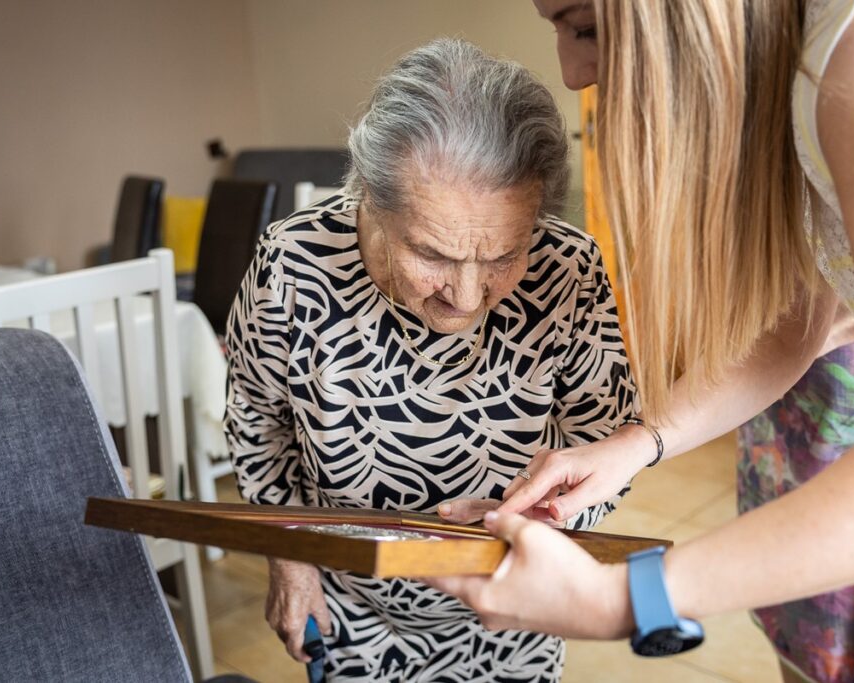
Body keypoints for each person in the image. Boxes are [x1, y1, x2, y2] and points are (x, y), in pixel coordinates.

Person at [430, 2, 854, 681]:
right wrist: (636, 442)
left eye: (584, 25)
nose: (573, 73)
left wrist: (626, 597)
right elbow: (810, 316)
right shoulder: (807, 61)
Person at [224, 38, 637, 683]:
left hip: (511, 600)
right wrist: (289, 555)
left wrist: (551, 519)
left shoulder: (568, 268)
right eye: (434, 255)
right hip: (351, 605)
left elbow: (606, 437)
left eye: (503, 256)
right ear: (371, 200)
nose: (467, 298)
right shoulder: (293, 263)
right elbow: (256, 421)